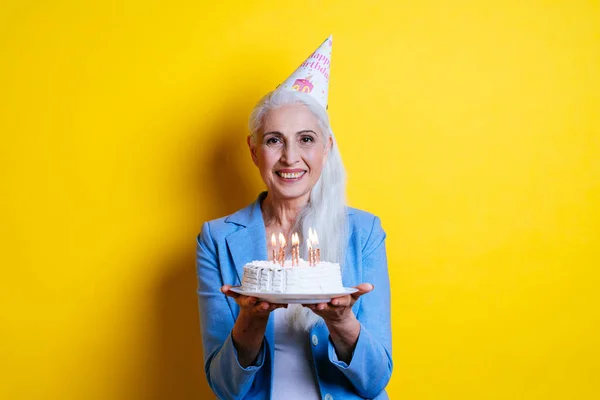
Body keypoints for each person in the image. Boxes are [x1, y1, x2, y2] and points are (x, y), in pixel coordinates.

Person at [196, 36, 392, 400]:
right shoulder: (217, 239)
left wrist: (341, 321)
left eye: (305, 139)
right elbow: (225, 388)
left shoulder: (363, 233)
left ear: (327, 148)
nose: (290, 157)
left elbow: (376, 380)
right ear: (254, 151)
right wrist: (251, 319)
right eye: (274, 140)